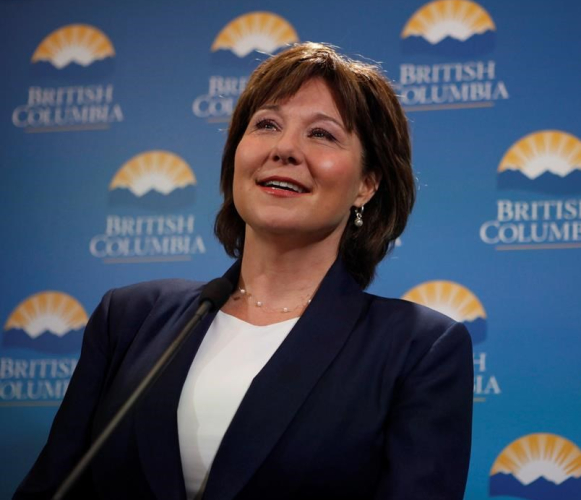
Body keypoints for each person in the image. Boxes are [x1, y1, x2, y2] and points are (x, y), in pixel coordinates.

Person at [15, 42, 473, 500]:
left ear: (366, 185)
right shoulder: (130, 319)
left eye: (322, 134)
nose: (285, 148)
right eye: (267, 125)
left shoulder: (418, 350)